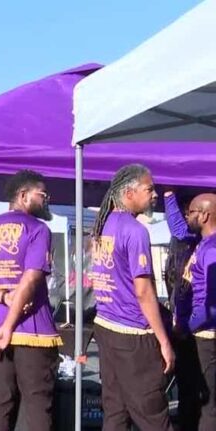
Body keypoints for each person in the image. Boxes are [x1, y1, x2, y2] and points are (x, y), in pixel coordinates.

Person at [0, 169, 62, 431]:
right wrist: (10, 324)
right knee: (38, 403)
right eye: (42, 194)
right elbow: (30, 280)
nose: (46, 200)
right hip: (32, 329)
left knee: (0, 402)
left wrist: (3, 297)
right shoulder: (38, 229)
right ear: (23, 195)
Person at [89, 164, 174, 431]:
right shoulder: (135, 231)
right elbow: (144, 291)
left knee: (116, 412)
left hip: (105, 326)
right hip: (133, 334)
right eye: (149, 189)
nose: (154, 195)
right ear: (128, 193)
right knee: (152, 415)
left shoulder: (102, 227)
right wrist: (163, 341)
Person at [169, 192, 216, 430]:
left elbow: (211, 304)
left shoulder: (213, 249)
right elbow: (178, 228)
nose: (188, 216)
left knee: (207, 405)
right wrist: (168, 195)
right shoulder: (200, 243)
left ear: (205, 215)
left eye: (192, 212)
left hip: (205, 337)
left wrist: (185, 327)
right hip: (193, 335)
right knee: (189, 397)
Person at [164, 190, 203, 430]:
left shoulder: (204, 242)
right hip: (187, 327)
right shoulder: (187, 244)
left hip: (197, 329)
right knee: (189, 390)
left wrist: (169, 196)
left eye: (190, 212)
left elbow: (179, 228)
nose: (186, 216)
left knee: (197, 395)